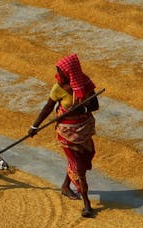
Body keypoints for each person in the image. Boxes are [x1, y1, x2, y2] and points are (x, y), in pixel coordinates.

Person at [28, 53, 99, 218]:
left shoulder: (85, 83)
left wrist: (82, 109)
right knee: (78, 167)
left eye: (60, 71)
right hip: (66, 132)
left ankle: (65, 187)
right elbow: (47, 108)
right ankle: (87, 204)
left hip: (84, 130)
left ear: (70, 72)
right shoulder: (58, 87)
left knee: (86, 157)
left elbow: (95, 104)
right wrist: (34, 126)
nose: (58, 75)